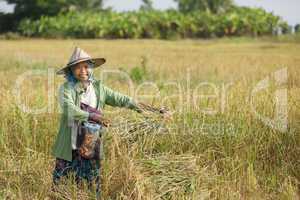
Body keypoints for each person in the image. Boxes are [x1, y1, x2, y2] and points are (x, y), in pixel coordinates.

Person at [51, 47, 171, 197]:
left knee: (92, 180)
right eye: (77, 67)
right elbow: (69, 109)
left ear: (91, 68)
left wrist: (154, 110)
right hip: (70, 141)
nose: (83, 71)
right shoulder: (66, 88)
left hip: (90, 138)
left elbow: (123, 100)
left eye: (86, 66)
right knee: (62, 182)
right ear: (71, 71)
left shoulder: (98, 88)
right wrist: (94, 117)